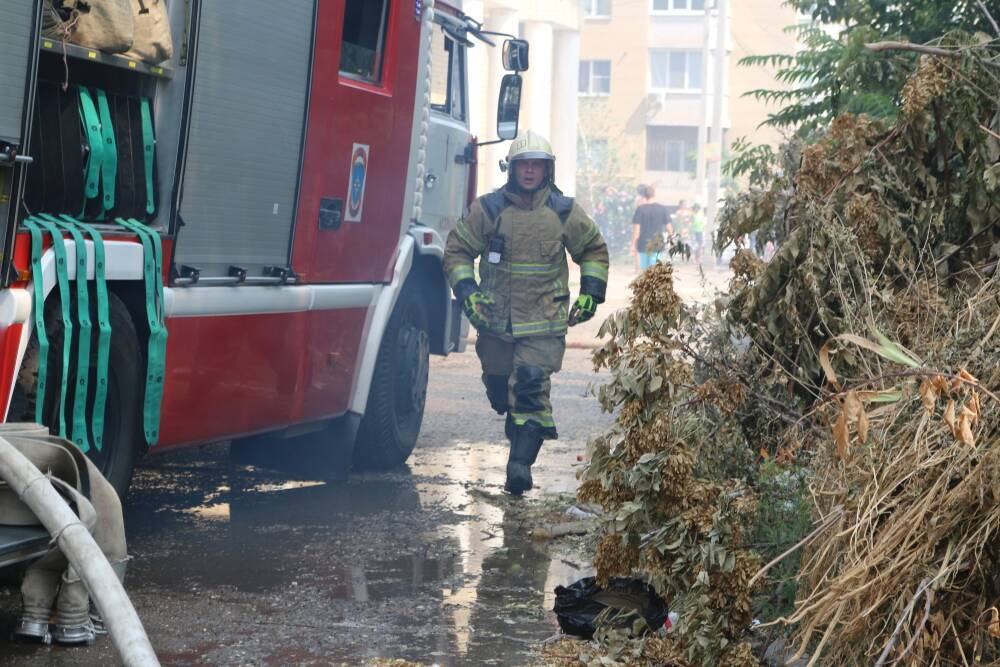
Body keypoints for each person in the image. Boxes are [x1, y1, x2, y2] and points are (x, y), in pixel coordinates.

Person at [443, 130, 609, 495]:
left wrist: (591, 294)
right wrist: (468, 292)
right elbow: (457, 251)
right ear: (512, 168)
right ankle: (508, 408)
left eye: (537, 165)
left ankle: (519, 467)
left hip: (545, 323)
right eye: (524, 165)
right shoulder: (488, 209)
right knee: (502, 389)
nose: (530, 171)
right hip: (495, 322)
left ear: (547, 170)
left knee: (532, 387)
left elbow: (593, 250)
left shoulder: (564, 211)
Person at [630, 185, 672, 272]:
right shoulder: (663, 209)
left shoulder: (640, 210)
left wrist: (633, 244)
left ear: (644, 196)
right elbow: (669, 228)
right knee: (654, 270)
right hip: (657, 243)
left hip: (643, 244)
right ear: (654, 195)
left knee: (644, 270)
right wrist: (671, 240)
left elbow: (636, 230)